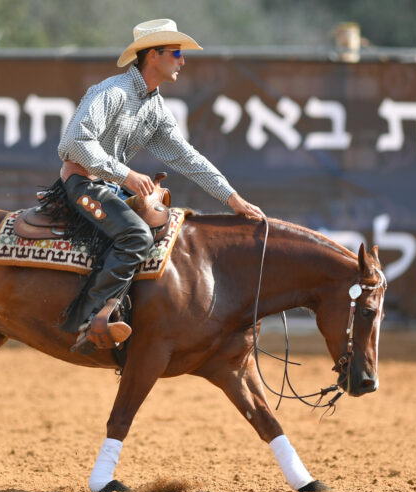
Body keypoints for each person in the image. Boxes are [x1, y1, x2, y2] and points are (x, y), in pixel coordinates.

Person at [57, 18, 264, 353]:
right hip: (83, 183)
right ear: (152, 55)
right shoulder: (111, 92)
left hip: (111, 187)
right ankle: (87, 323)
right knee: (136, 235)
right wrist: (124, 174)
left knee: (167, 231)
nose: (183, 61)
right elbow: (74, 142)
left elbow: (186, 157)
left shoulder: (154, 107)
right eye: (177, 52)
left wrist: (232, 198)